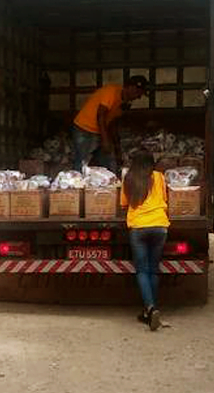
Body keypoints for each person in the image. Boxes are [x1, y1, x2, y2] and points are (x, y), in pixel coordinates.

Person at [120, 151, 170, 331]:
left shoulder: (129, 178)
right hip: (160, 226)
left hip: (139, 227)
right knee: (153, 269)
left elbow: (124, 204)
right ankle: (150, 310)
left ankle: (150, 308)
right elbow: (164, 198)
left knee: (142, 270)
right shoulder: (159, 177)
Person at [72, 76, 149, 172]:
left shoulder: (124, 103)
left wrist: (116, 145)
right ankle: (76, 183)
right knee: (81, 161)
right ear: (131, 88)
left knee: (108, 160)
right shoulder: (111, 91)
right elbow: (100, 116)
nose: (139, 97)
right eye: (139, 93)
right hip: (84, 129)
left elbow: (113, 122)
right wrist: (105, 140)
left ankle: (111, 181)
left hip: (100, 130)